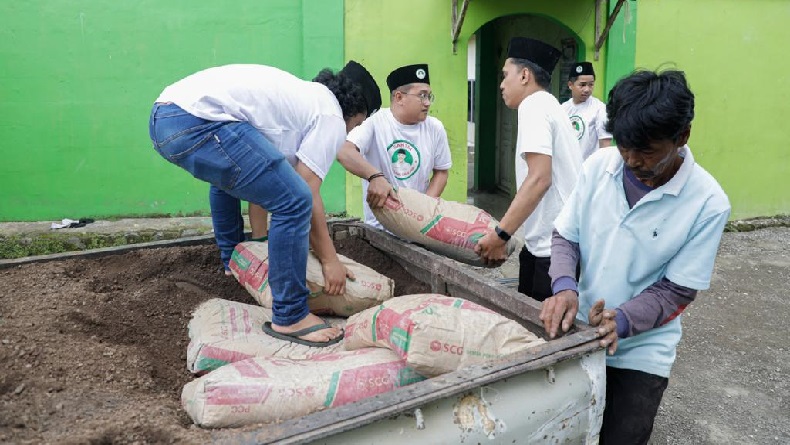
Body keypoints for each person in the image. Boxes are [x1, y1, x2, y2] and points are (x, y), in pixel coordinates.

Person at [540, 69, 731, 444]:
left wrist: (623, 321)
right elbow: (565, 235)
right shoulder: (599, 166)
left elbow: (676, 292)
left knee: (623, 435)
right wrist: (564, 287)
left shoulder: (708, 203)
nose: (632, 161)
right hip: (577, 331)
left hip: (641, 351)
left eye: (646, 151)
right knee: (560, 433)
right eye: (625, 147)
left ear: (682, 138)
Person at [148, 61, 381, 347]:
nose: (348, 133)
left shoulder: (304, 98)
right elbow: (305, 191)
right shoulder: (330, 115)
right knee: (294, 201)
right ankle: (291, 316)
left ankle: (231, 261)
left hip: (165, 116)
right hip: (195, 121)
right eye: (356, 125)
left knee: (229, 179)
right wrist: (330, 259)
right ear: (355, 112)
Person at [475, 37, 583, 302]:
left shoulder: (534, 106)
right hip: (548, 244)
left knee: (543, 334)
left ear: (524, 75)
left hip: (552, 250)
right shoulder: (550, 106)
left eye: (505, 75)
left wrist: (500, 235)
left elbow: (539, 178)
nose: (501, 84)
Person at [337, 64, 452, 228]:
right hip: (381, 228)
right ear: (399, 97)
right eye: (422, 96)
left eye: (429, 96)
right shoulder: (374, 123)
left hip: (418, 228)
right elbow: (344, 151)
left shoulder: (435, 128)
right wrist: (375, 177)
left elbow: (441, 172)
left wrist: (423, 210)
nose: (427, 103)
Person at [562, 61, 612, 160]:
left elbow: (605, 146)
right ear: (570, 85)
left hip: (590, 171)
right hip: (568, 169)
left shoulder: (599, 109)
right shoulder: (563, 109)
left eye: (591, 85)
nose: (587, 89)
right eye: (582, 85)